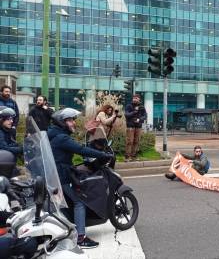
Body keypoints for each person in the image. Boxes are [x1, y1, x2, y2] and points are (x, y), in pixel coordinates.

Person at [48, 108, 113, 248]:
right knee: (79, 202)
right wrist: (103, 154)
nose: (73, 123)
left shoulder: (56, 134)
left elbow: (76, 147)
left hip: (56, 174)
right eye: (70, 120)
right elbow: (80, 150)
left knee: (66, 203)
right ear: (62, 122)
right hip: (61, 176)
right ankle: (81, 238)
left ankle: (70, 230)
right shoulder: (61, 138)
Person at [124, 94, 147, 162]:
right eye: (133, 98)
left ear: (139, 99)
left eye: (136, 98)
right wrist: (134, 112)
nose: (134, 99)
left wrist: (139, 119)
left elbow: (145, 116)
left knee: (136, 141)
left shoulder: (142, 107)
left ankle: (134, 156)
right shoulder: (129, 106)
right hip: (130, 126)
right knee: (130, 141)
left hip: (138, 126)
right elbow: (126, 114)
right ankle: (127, 157)